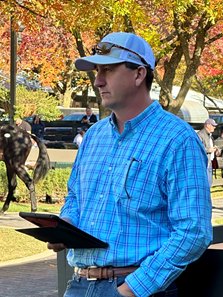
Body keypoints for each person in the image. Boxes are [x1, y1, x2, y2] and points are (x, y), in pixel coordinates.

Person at [48, 32, 212, 297]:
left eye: (108, 70)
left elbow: (193, 231)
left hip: (138, 287)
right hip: (79, 284)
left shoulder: (177, 139)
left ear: (138, 74)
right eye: (97, 71)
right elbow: (76, 196)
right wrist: (66, 225)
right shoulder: (94, 136)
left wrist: (131, 290)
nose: (98, 81)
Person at [197, 118, 220, 186]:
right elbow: (197, 148)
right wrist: (208, 150)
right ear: (208, 125)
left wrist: (215, 150)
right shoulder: (200, 134)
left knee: (209, 184)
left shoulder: (210, 135)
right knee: (205, 184)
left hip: (210, 162)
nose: (214, 127)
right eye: (213, 125)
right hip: (203, 163)